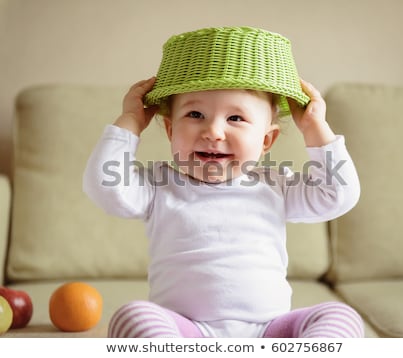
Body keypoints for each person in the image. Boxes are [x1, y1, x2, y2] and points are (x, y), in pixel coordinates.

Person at [83, 27, 363, 338]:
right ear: (170, 130)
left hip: (271, 331)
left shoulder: (276, 185)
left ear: (266, 140)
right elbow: (105, 186)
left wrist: (315, 128)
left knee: (339, 316)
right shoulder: (158, 186)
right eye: (195, 114)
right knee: (132, 316)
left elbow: (339, 194)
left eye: (235, 119)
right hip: (188, 332)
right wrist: (130, 122)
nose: (214, 131)